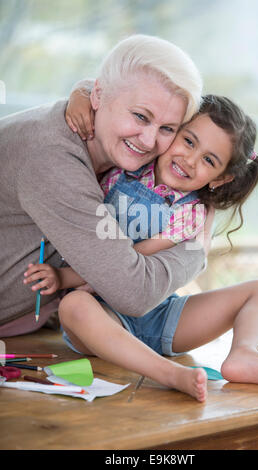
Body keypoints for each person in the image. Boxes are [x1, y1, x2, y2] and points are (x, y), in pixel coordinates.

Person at [23, 95, 258, 401]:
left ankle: (244, 352)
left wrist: (64, 278)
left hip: (160, 315)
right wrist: (79, 96)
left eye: (209, 160)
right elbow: (108, 109)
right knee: (73, 307)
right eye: (189, 141)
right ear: (171, 131)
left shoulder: (192, 213)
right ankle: (167, 373)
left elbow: (131, 258)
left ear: (220, 179)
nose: (190, 160)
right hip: (102, 316)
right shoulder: (126, 164)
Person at [0, 34, 208, 337]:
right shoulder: (53, 160)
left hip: (34, 327)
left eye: (167, 128)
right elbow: (133, 292)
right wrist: (196, 246)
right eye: (140, 116)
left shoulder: (116, 147)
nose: (150, 141)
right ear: (98, 96)